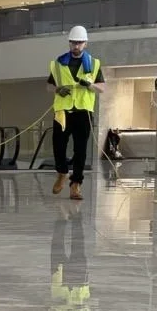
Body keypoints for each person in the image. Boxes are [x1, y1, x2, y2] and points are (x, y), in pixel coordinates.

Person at [48, 25, 105, 201]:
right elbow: (48, 86)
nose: (76, 46)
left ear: (85, 44)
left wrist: (89, 85)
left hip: (83, 112)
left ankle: (76, 184)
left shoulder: (94, 64)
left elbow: (102, 88)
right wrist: (58, 89)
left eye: (80, 43)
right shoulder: (58, 64)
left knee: (80, 150)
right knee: (58, 145)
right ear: (69, 43)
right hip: (63, 111)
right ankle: (62, 173)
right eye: (74, 42)